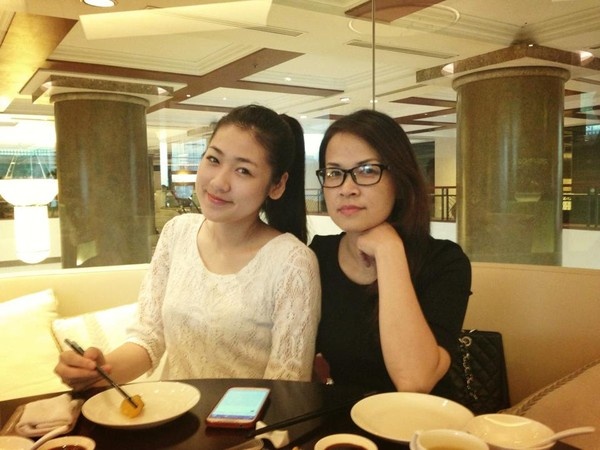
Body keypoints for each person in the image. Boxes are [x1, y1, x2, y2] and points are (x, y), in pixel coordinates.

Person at [55, 105, 321, 391]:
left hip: (251, 418)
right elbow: (149, 338)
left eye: (243, 170)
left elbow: (286, 384)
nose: (218, 182)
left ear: (277, 185)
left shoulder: (292, 261)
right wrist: (98, 371)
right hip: (172, 409)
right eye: (213, 159)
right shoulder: (177, 232)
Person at [310, 109, 471, 398]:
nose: (346, 188)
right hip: (347, 419)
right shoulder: (318, 255)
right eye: (334, 173)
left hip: (424, 421)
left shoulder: (445, 262)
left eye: (367, 170)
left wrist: (388, 251)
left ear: (399, 180)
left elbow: (415, 382)